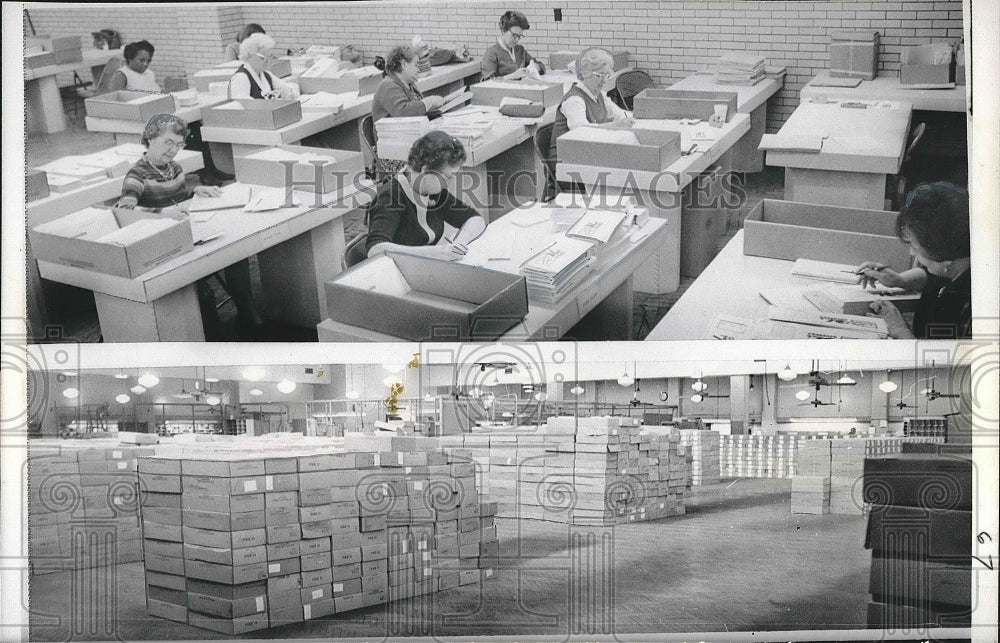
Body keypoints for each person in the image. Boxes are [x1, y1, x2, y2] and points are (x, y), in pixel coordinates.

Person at [116, 114, 265, 339]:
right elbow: (124, 211)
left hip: (186, 231)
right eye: (167, 142)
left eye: (178, 144)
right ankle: (212, 336)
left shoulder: (174, 167)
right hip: (159, 243)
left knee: (236, 252)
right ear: (149, 138)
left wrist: (193, 192)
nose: (173, 150)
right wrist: (163, 214)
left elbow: (174, 197)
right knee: (199, 282)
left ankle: (248, 314)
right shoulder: (136, 174)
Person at [858, 182, 971, 339]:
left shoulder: (969, 308)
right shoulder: (958, 267)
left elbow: (938, 360)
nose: (911, 252)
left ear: (945, 258)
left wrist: (900, 330)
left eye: (916, 247)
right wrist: (899, 279)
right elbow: (933, 278)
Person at [363, 131, 486, 262]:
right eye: (448, 177)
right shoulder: (391, 196)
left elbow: (474, 218)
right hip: (396, 270)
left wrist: (459, 244)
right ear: (425, 170)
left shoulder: (435, 192)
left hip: (423, 266)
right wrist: (435, 253)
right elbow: (375, 249)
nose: (449, 183)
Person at [544, 48, 632, 200]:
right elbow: (581, 133)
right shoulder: (574, 100)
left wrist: (631, 119)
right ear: (584, 74)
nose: (604, 81)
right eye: (599, 75)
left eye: (607, 75)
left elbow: (622, 116)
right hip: (567, 162)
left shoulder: (600, 96)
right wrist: (615, 125)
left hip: (588, 155)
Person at [372, 45, 445, 124]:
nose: (419, 69)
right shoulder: (387, 86)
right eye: (416, 65)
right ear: (403, 64)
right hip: (394, 134)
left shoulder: (409, 85)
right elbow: (404, 113)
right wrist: (431, 101)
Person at [228, 33, 299, 100]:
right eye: (263, 58)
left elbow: (286, 88)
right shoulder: (241, 77)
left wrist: (288, 93)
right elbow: (243, 104)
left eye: (270, 57)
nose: (267, 61)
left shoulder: (266, 75)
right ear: (249, 56)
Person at [481, 10, 546, 80]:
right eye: (514, 35)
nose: (517, 40)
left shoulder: (520, 50)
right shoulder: (491, 53)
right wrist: (513, 76)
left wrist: (535, 68)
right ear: (504, 30)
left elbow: (541, 65)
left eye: (519, 36)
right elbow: (488, 82)